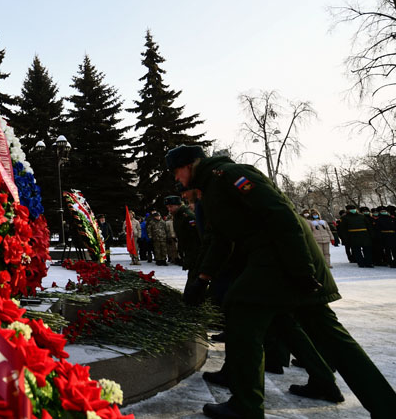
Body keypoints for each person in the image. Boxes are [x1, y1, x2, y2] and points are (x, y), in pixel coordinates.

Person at [166, 144, 396, 419]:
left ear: (189, 164)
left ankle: (247, 405)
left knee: (241, 311)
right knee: (330, 336)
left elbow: (279, 214)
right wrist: (202, 279)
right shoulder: (212, 188)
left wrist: (302, 270)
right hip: (284, 261)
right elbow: (221, 239)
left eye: (175, 172)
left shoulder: (229, 175)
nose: (176, 179)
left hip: (283, 258)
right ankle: (386, 406)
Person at [165, 195, 200, 270]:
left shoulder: (187, 216)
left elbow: (195, 235)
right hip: (187, 250)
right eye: (167, 207)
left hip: (194, 251)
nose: (169, 209)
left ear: (178, 205)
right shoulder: (177, 215)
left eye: (171, 206)